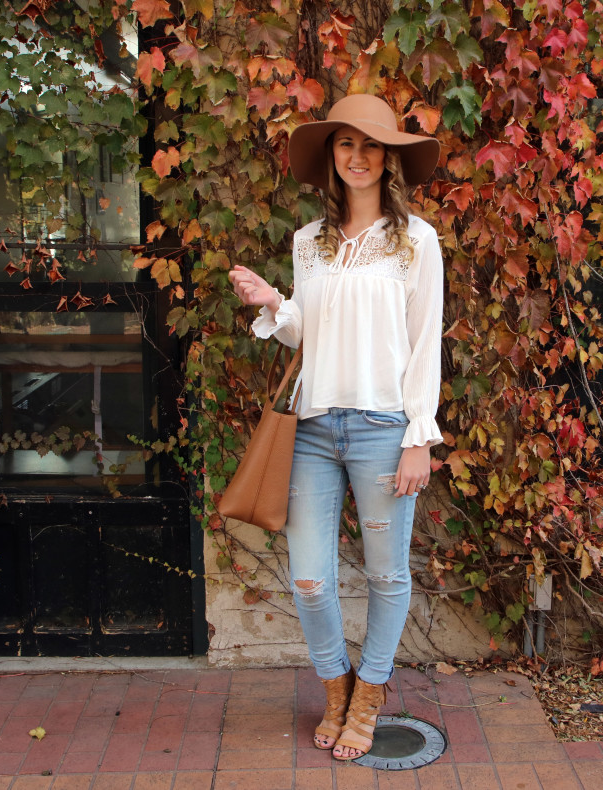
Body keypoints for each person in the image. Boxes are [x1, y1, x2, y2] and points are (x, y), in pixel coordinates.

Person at [227, 94, 443, 761]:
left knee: (386, 575)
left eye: (370, 146)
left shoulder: (417, 242)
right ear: (331, 158)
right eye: (345, 145)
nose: (357, 157)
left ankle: (370, 693)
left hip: (383, 428)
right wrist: (276, 305)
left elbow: (424, 339)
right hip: (316, 430)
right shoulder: (307, 245)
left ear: (388, 160)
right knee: (310, 580)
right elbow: (311, 335)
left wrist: (419, 436)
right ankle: (335, 685)